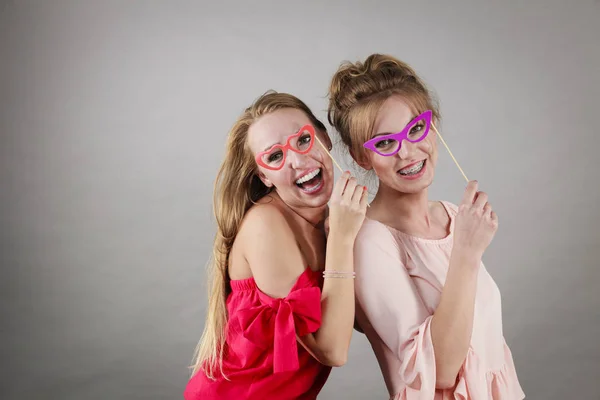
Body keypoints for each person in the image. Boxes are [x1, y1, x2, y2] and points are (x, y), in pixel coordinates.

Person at [326, 54, 525, 399]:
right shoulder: (370, 240)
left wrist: (465, 243)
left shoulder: (451, 215)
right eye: (385, 143)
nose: (408, 151)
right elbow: (443, 371)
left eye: (416, 128)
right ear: (362, 157)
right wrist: (466, 252)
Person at [184, 91, 368, 400]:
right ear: (264, 176)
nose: (297, 160)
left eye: (303, 139)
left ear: (324, 137)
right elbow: (332, 350)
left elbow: (361, 317)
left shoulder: (330, 220)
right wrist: (342, 238)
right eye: (274, 156)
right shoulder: (265, 225)